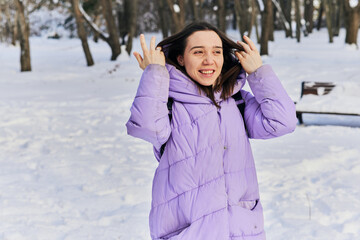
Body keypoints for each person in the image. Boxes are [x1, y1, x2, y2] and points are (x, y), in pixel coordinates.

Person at [126, 22, 297, 240]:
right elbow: (147, 127)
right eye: (198, 52)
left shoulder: (236, 100)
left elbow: (283, 122)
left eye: (216, 52)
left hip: (240, 231)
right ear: (181, 59)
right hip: (188, 232)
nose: (209, 60)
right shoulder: (168, 103)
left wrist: (257, 72)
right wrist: (155, 73)